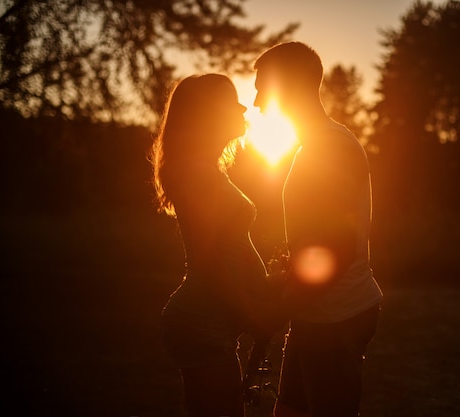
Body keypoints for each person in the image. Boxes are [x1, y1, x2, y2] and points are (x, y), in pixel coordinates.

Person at [252, 41, 384, 417]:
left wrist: (277, 313)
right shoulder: (311, 148)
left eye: (262, 88)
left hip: (338, 316)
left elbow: (335, 250)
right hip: (315, 314)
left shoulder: (331, 148)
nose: (258, 103)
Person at [149, 73, 279, 417]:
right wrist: (252, 312)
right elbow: (208, 262)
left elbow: (228, 248)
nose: (242, 107)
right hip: (200, 321)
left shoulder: (208, 170)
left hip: (214, 321)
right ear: (207, 113)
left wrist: (268, 285)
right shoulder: (196, 173)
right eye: (230, 100)